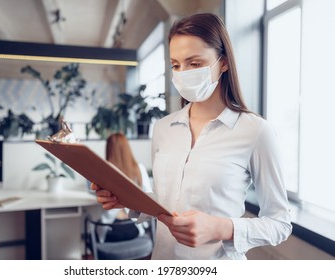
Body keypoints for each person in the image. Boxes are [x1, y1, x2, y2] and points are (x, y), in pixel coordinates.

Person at [91, 13, 292, 260]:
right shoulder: (164, 128)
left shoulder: (255, 131)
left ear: (224, 62)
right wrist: (125, 198)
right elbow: (166, 204)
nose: (183, 73)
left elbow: (280, 223)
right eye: (176, 65)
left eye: (194, 63)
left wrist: (220, 227)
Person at [96, 132, 152, 242]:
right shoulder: (139, 169)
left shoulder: (104, 172)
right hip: (133, 229)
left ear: (109, 150)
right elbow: (149, 197)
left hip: (111, 231)